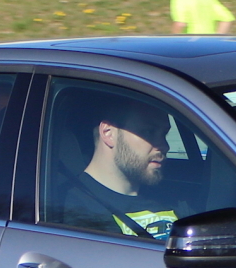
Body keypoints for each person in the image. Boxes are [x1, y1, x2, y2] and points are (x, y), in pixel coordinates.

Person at [47, 88, 181, 240]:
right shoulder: (70, 210)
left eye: (164, 134)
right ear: (108, 133)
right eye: (149, 132)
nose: (164, 146)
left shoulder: (174, 197)